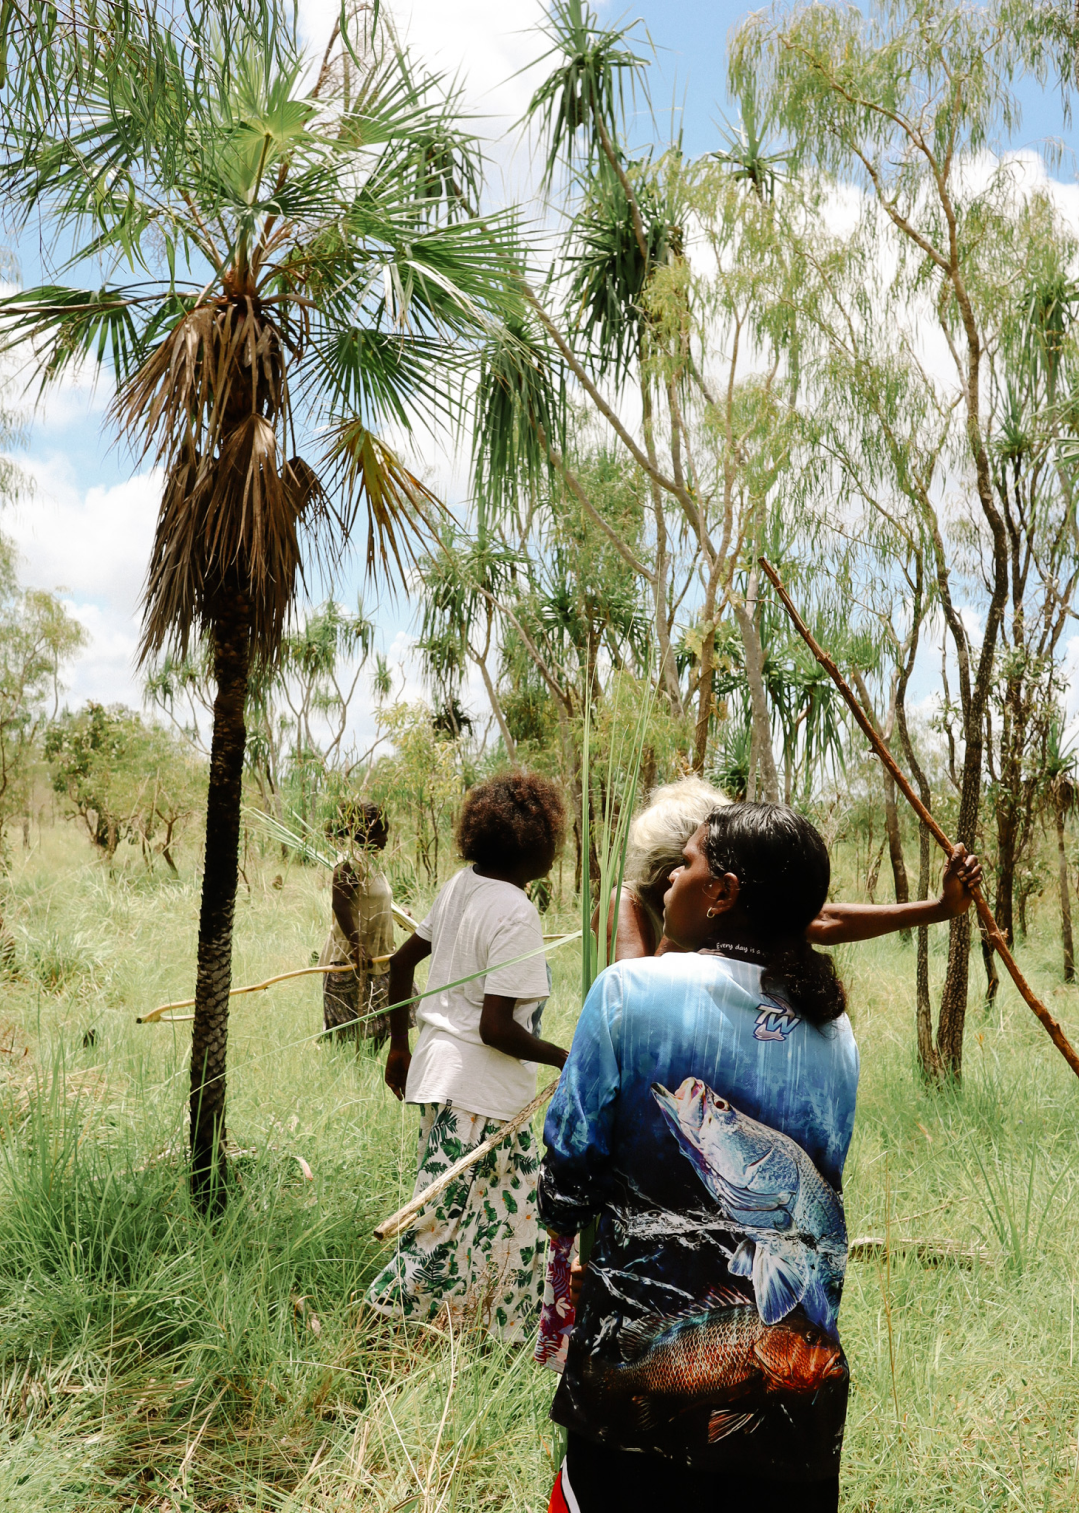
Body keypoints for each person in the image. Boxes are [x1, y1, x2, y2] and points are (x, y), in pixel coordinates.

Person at [539, 801, 981, 1512]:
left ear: (722, 892)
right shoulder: (832, 1029)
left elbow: (567, 1171)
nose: (668, 882)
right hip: (790, 1406)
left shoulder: (627, 990)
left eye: (685, 864)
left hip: (643, 1401)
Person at [365, 770, 568, 1341]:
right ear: (535, 841)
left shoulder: (462, 886)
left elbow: (402, 963)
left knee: (503, 1218)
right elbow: (497, 1027)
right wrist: (563, 1058)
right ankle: (380, 1321)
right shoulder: (515, 909)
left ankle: (490, 1335)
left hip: (439, 1074)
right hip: (477, 1090)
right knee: (446, 1219)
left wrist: (400, 1046)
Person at [613, 775, 982, 960]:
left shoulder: (724, 895)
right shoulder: (628, 903)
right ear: (672, 863)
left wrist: (942, 908)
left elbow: (821, 921)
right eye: (688, 859)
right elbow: (629, 1002)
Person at [319, 799, 395, 1043]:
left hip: (378, 956)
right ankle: (348, 1071)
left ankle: (367, 1065)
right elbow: (339, 906)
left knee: (388, 1019)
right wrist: (357, 947)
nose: (385, 840)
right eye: (382, 833)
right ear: (368, 832)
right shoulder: (348, 864)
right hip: (350, 956)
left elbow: (370, 899)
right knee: (343, 1032)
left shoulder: (371, 863)